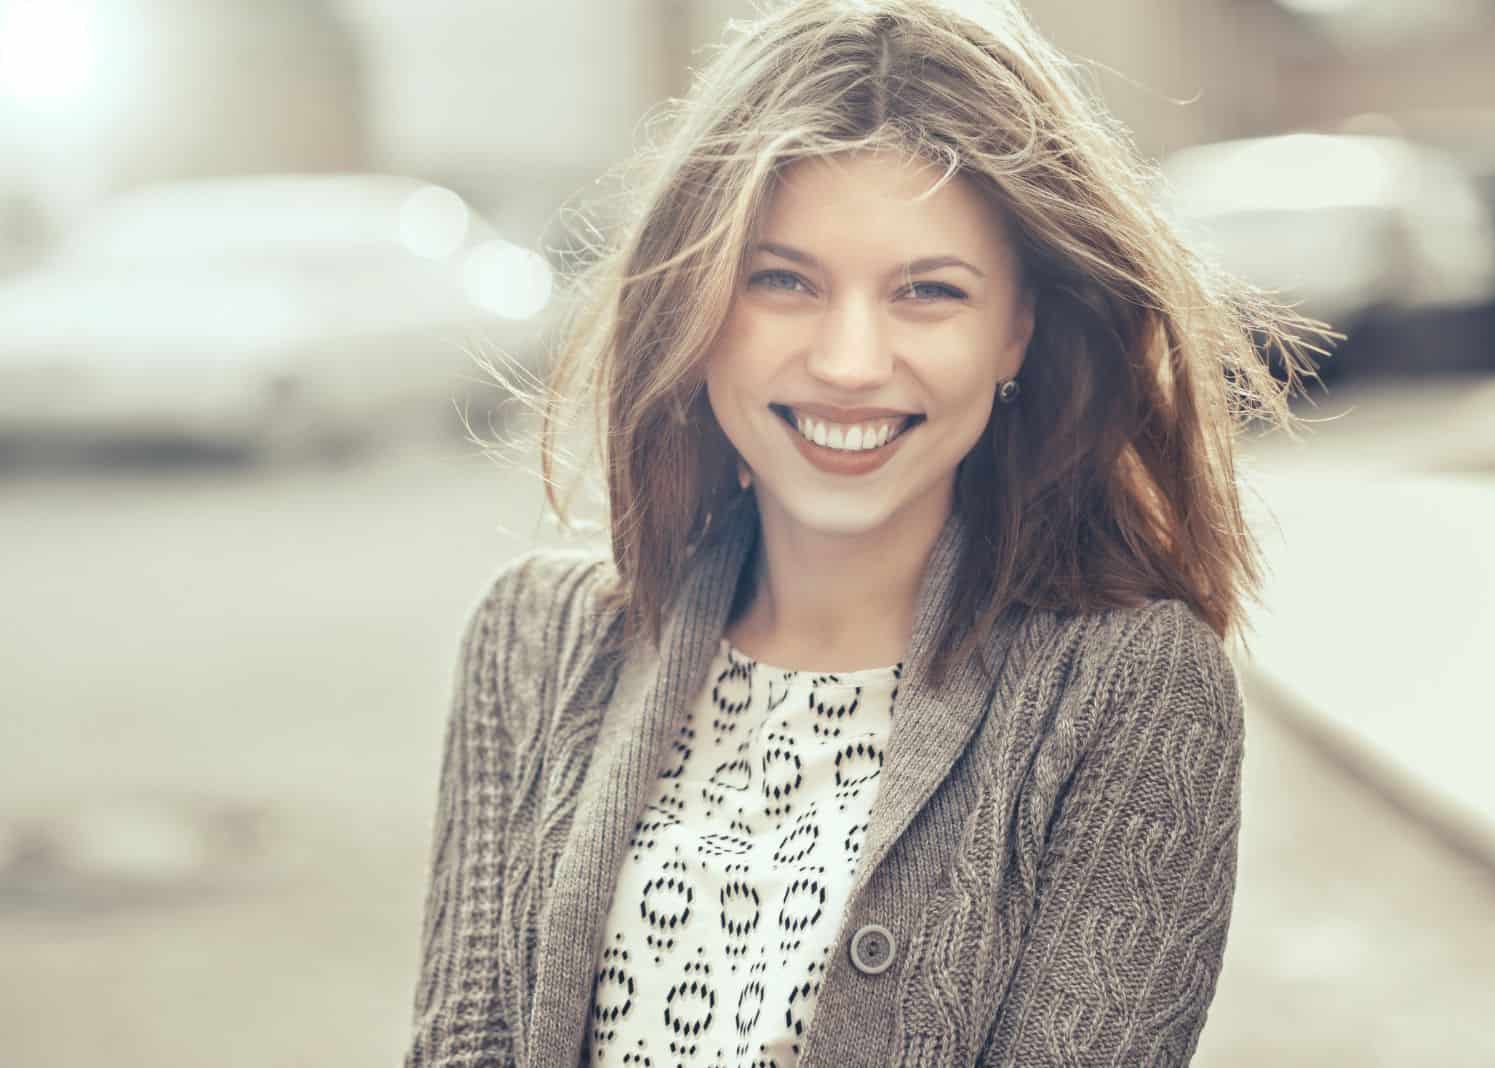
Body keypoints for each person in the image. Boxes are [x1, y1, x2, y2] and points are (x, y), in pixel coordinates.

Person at [405, 1, 1321, 1065]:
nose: (847, 360)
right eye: (783, 281)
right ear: (697, 300)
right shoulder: (534, 643)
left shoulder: (1129, 691)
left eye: (927, 293)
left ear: (1014, 329)